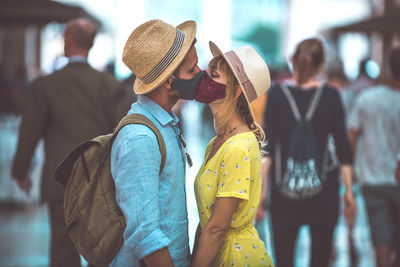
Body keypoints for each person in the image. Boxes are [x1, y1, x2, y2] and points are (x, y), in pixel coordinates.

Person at [11, 18, 133, 267]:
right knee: (101, 248)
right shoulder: (110, 86)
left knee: (62, 249)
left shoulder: (45, 85)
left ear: (67, 42)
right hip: (101, 182)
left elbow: (30, 131)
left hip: (60, 181)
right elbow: (123, 133)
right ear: (91, 44)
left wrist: (21, 171)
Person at [110, 19, 200, 267]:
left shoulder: (164, 124)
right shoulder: (141, 138)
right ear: (170, 80)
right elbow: (144, 235)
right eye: (192, 70)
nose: (199, 73)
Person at [262, 38, 356, 267]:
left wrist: (261, 193)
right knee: (320, 260)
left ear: (293, 60)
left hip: (283, 189)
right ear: (321, 64)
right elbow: (343, 147)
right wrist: (349, 192)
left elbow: (268, 148)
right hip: (323, 189)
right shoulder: (332, 96)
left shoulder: (276, 95)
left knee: (284, 259)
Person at [190, 41, 274, 267]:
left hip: (236, 258)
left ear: (236, 92)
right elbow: (208, 220)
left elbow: (218, 228)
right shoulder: (216, 142)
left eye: (214, 75)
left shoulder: (238, 146)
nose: (204, 78)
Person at [348, 47, 400, 267]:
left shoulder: (367, 99)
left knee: (381, 243)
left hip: (372, 179)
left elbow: (351, 136)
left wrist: (351, 176)